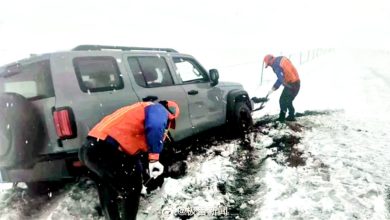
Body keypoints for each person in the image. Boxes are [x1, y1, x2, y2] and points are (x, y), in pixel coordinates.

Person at [79, 100, 180, 220]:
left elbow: (132, 154)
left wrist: (141, 172)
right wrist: (154, 159)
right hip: (105, 150)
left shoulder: (137, 111)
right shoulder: (158, 109)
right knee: (132, 188)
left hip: (90, 150)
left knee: (107, 188)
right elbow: (155, 126)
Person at [263, 54, 300, 122]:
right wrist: (274, 87)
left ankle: (282, 118)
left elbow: (281, 79)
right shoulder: (280, 60)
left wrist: (274, 88)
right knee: (288, 100)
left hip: (291, 84)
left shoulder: (276, 65)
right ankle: (291, 116)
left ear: (271, 60)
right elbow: (282, 77)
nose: (270, 66)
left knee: (282, 100)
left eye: (269, 64)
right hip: (296, 82)